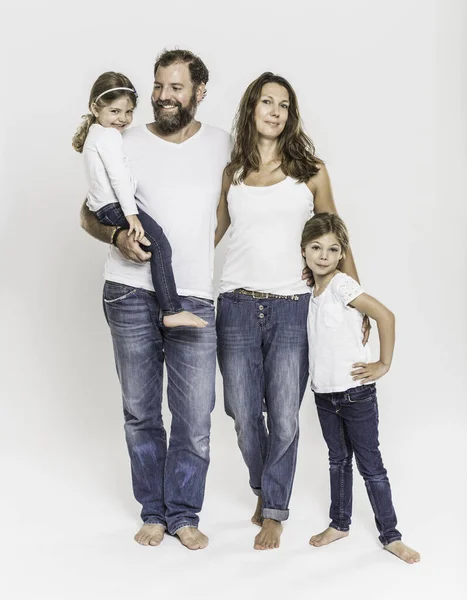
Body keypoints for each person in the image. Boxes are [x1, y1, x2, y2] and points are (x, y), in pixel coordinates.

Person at [80, 49, 231, 550]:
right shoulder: (119, 137)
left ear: (199, 92)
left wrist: (195, 256)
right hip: (129, 292)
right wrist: (118, 238)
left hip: (194, 295)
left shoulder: (221, 144)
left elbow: (232, 209)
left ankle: (184, 512)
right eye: (159, 86)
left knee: (194, 416)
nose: (164, 97)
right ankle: (153, 511)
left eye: (177, 87)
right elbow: (88, 212)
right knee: (141, 412)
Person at [214, 72, 369, 550]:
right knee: (242, 410)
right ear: (251, 109)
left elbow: (337, 236)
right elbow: (213, 234)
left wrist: (354, 296)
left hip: (291, 306)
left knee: (283, 414)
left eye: (284, 104)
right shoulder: (232, 171)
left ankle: (275, 509)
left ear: (291, 114)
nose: (275, 111)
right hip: (236, 302)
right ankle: (263, 485)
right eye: (266, 102)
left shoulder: (311, 171)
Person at [301, 212, 420, 564]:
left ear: (342, 254)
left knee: (371, 465)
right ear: (304, 250)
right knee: (337, 460)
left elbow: (386, 315)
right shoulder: (312, 289)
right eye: (316, 247)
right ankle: (340, 524)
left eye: (332, 249)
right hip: (324, 395)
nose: (324, 255)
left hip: (355, 393)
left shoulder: (341, 285)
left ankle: (391, 535)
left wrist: (383, 364)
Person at [73, 71, 206, 329]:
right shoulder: (109, 136)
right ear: (94, 107)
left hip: (103, 207)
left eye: (129, 112)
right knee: (160, 245)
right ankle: (171, 309)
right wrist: (131, 215)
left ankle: (166, 306)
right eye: (114, 111)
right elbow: (119, 178)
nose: (123, 119)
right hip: (115, 208)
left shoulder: (95, 134)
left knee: (152, 244)